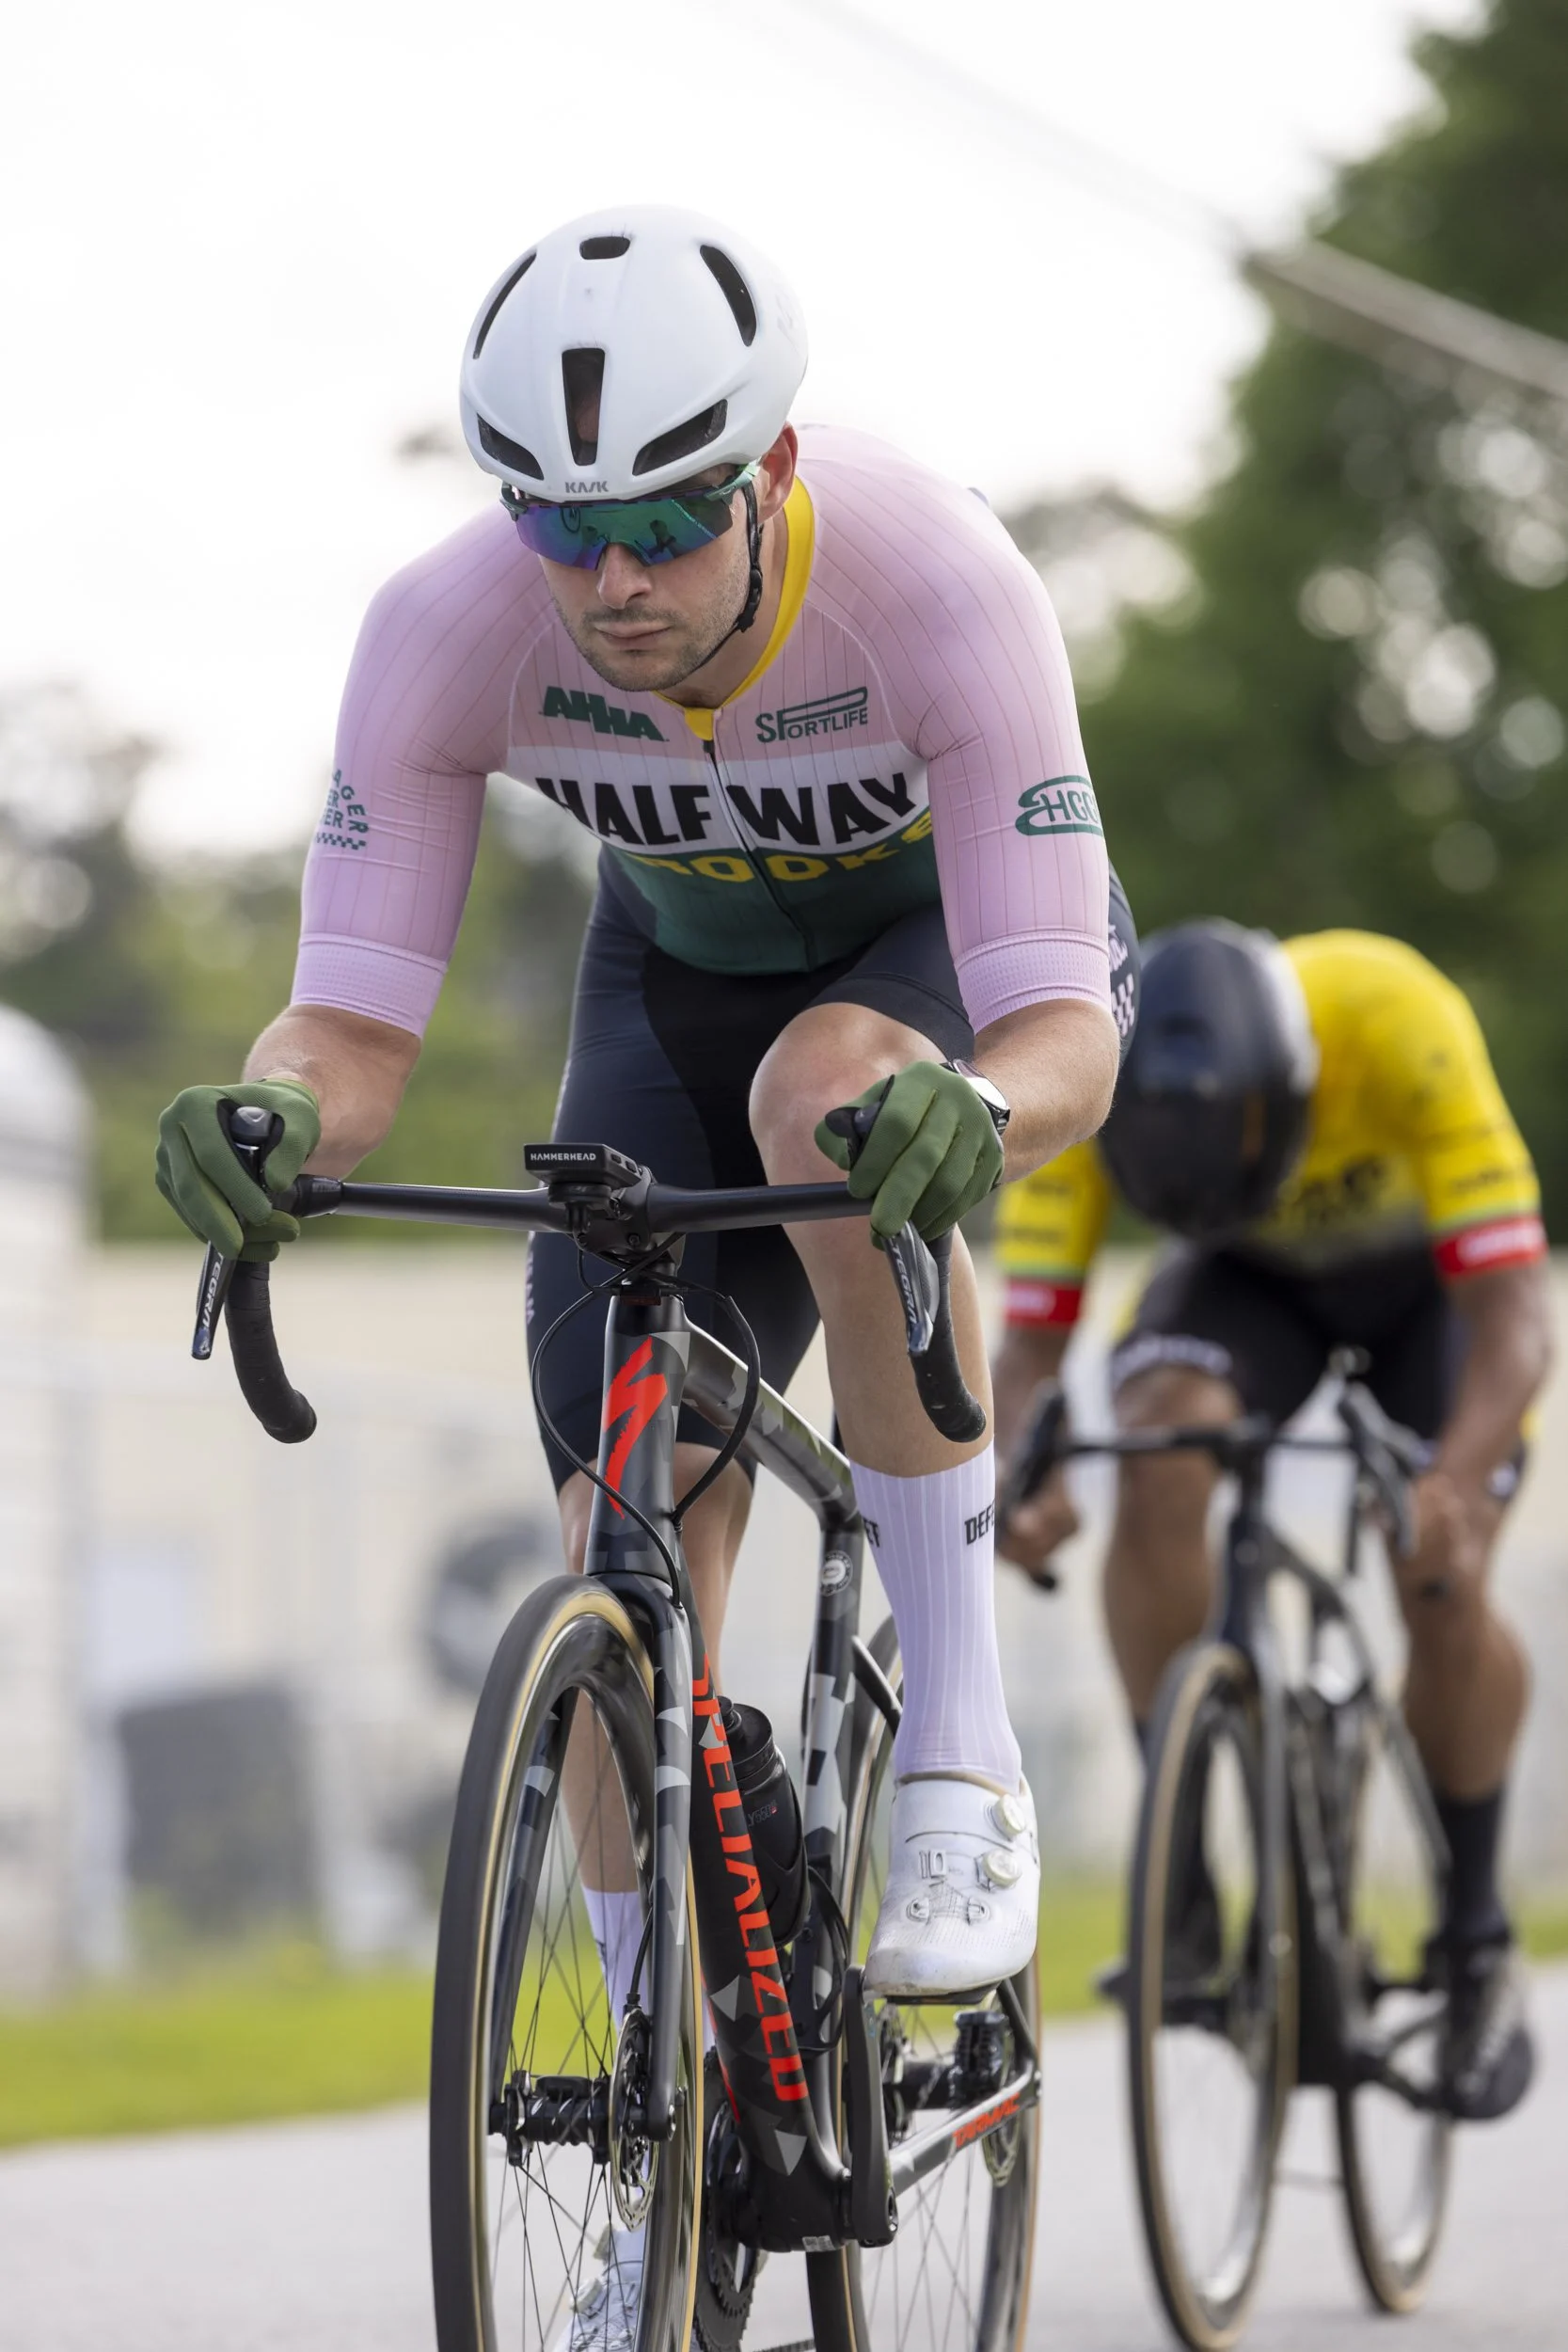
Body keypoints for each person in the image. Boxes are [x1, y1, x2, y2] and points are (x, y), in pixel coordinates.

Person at [154, 206, 1140, 2000]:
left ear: (772, 473)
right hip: (672, 987)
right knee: (616, 1549)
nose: (614, 579)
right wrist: (271, 1110)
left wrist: (981, 1110)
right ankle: (644, 2080)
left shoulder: (938, 582)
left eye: (670, 522)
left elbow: (1062, 1021)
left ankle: (961, 1757)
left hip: (939, 961)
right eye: (558, 526)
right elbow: (350, 1030)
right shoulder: (441, 631)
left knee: (828, 1097)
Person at [991, 918, 1552, 2122]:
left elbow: (1513, 1317)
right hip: (1241, 1285)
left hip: (1427, 1296)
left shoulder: (1392, 1018)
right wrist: (1020, 1472)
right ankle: (1183, 1875)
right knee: (1157, 1447)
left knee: (1435, 1571)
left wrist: (1452, 1489)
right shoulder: (1081, 1064)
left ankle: (1470, 1938)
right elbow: (1027, 1354)